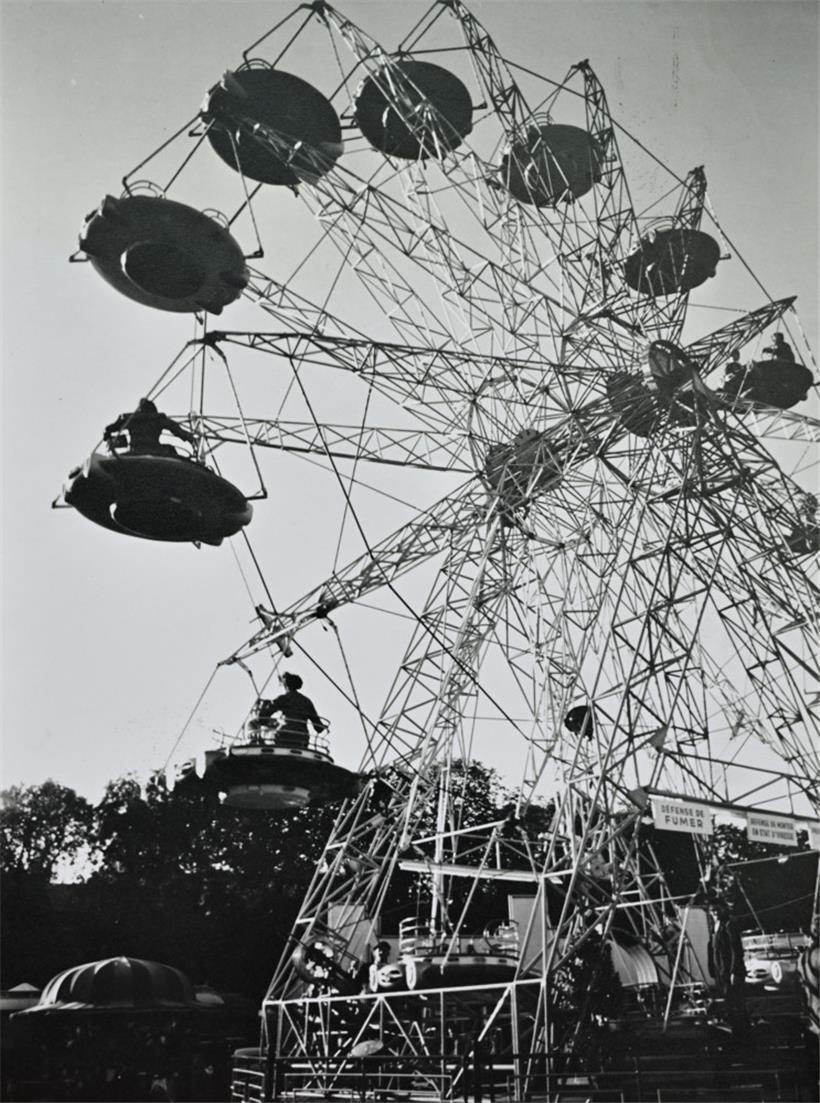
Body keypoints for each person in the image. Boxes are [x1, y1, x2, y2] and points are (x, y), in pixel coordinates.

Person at [104, 398, 195, 457]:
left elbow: (110, 428)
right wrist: (189, 437)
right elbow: (175, 429)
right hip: (154, 449)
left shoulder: (131, 419)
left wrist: (108, 435)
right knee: (171, 449)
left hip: (135, 450)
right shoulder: (158, 419)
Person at [267, 672, 326, 748]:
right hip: (301, 738)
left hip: (283, 736)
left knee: (267, 733)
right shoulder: (307, 701)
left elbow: (264, 714)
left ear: (285, 685)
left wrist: (268, 720)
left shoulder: (283, 698)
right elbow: (319, 728)